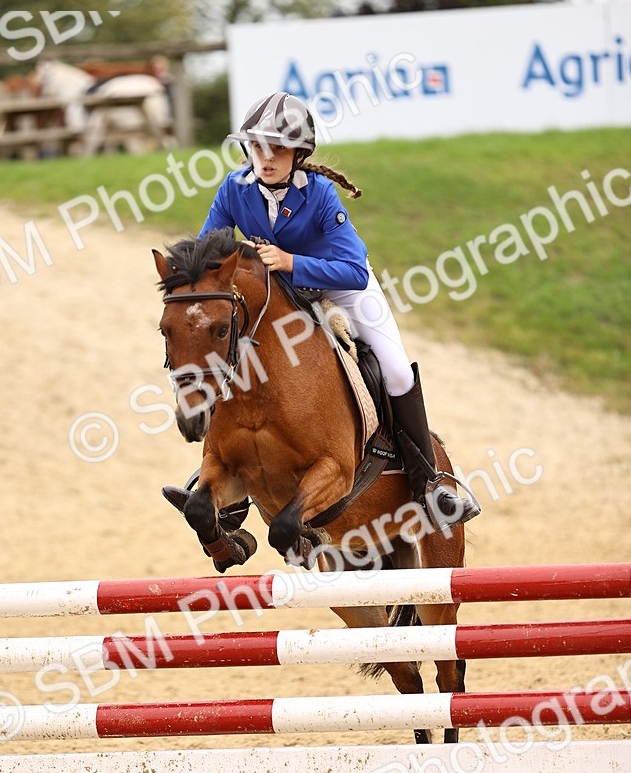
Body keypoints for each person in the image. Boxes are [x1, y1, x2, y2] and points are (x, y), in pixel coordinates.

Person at [197, 91, 480, 531]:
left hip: (343, 288)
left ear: (299, 153)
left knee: (397, 370)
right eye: (257, 147)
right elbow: (208, 253)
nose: (265, 158)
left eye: (278, 149)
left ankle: (429, 484)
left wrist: (291, 262)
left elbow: (353, 271)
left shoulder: (323, 195)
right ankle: (219, 474)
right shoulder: (234, 190)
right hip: (277, 298)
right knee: (226, 352)